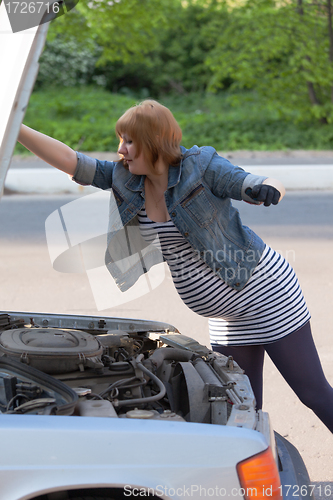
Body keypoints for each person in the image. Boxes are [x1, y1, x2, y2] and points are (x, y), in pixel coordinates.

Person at [18, 99, 333, 432]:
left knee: (313, 393)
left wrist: (268, 188)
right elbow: (72, 161)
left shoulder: (200, 166)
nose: (121, 149)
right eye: (120, 139)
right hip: (226, 316)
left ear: (154, 142)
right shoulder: (126, 179)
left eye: (129, 141)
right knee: (241, 407)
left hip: (265, 294)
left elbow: (249, 180)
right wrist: (14, 126)